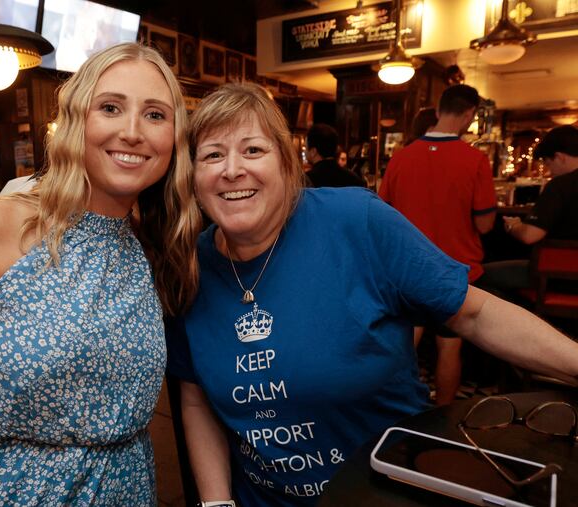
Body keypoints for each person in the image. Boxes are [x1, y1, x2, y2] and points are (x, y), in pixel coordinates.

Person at [166, 82, 578, 507]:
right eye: (213, 154)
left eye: (253, 150)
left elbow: (475, 314)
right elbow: (195, 396)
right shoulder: (190, 267)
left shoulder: (356, 222)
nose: (232, 169)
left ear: (288, 164)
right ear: (193, 178)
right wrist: (217, 503)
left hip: (385, 491)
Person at [0, 43, 201, 505]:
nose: (132, 132)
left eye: (155, 115)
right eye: (110, 108)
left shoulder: (152, 248)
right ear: (76, 121)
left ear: (175, 141)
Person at [378, 85, 496, 405]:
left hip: (407, 272)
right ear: (469, 114)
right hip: (456, 272)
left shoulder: (401, 159)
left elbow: (382, 215)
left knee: (402, 349)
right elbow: (485, 224)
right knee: (449, 348)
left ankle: (389, 412)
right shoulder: (475, 160)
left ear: (439, 109)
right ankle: (442, 421)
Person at [485, 125, 578, 296]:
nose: (549, 171)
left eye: (548, 163)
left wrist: (514, 225)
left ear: (560, 157)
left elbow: (530, 235)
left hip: (555, 277)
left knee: (480, 277)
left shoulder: (559, 186)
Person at [305, 123, 366, 188]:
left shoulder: (306, 181)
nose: (305, 152)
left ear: (313, 152)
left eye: (306, 147)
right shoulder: (354, 179)